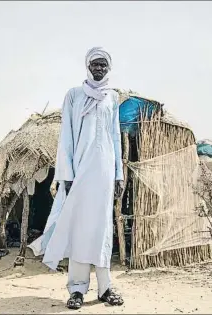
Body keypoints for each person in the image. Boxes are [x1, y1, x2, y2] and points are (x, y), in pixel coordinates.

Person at [28, 47, 125, 310]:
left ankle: (105, 288)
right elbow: (67, 137)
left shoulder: (113, 98)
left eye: (103, 64)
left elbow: (115, 137)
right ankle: (77, 289)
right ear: (87, 66)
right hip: (80, 172)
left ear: (109, 68)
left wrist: (118, 175)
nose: (99, 68)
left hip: (104, 171)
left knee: (102, 228)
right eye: (95, 63)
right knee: (81, 228)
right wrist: (67, 175)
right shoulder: (74, 95)